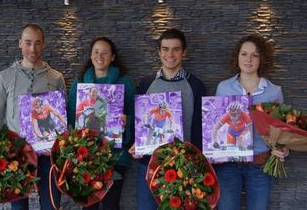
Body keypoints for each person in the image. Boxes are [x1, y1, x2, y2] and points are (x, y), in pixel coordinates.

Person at [0, 24, 64, 209]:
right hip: (16, 156)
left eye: (37, 43)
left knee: (51, 205)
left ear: (43, 45)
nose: (32, 49)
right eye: (28, 43)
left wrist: (60, 146)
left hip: (47, 155)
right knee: (19, 207)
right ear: (20, 43)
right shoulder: (4, 77)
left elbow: (61, 116)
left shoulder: (56, 77)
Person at [128, 28, 206, 210]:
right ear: (159, 52)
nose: (170, 54)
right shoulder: (146, 84)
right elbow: (139, 122)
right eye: (165, 49)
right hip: (148, 164)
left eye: (176, 49)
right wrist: (134, 143)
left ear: (184, 52)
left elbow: (199, 129)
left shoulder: (196, 85)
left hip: (181, 167)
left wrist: (196, 164)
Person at [214, 34, 289, 210]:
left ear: (262, 59)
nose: (249, 59)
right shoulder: (223, 88)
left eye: (255, 55)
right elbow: (216, 123)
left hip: (260, 165)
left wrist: (283, 149)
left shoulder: (273, 91)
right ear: (237, 57)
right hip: (228, 164)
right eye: (244, 54)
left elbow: (282, 130)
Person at [67, 37, 135, 210]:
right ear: (90, 55)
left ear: (112, 57)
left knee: (112, 204)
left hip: (116, 154)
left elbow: (135, 116)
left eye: (105, 52)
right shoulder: (80, 83)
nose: (100, 56)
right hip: (86, 154)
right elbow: (70, 118)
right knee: (89, 204)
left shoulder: (125, 83)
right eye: (96, 52)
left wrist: (125, 124)